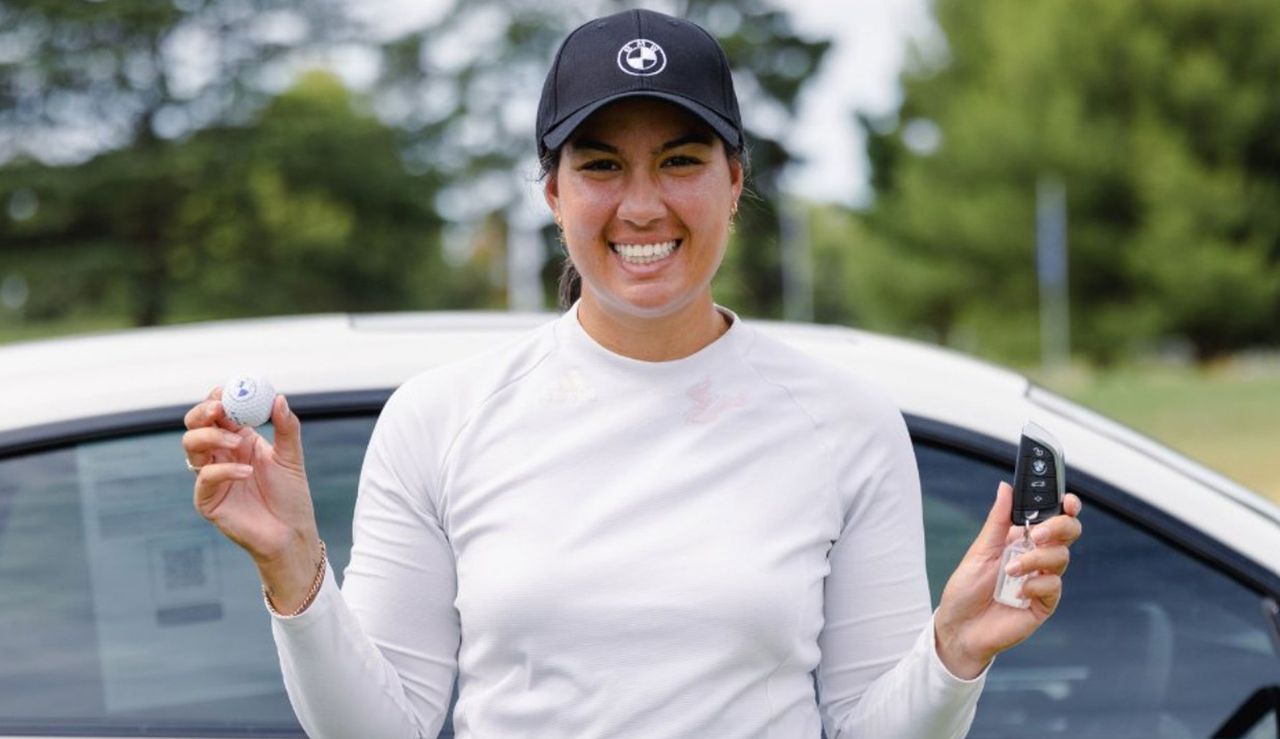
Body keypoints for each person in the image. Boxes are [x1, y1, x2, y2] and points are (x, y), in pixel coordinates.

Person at [181, 9, 1082, 738]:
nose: (641, 205)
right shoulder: (439, 417)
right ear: (552, 192)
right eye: (602, 165)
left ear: (735, 180)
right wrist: (296, 571)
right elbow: (384, 730)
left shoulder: (848, 421)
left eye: (681, 161)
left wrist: (952, 651)